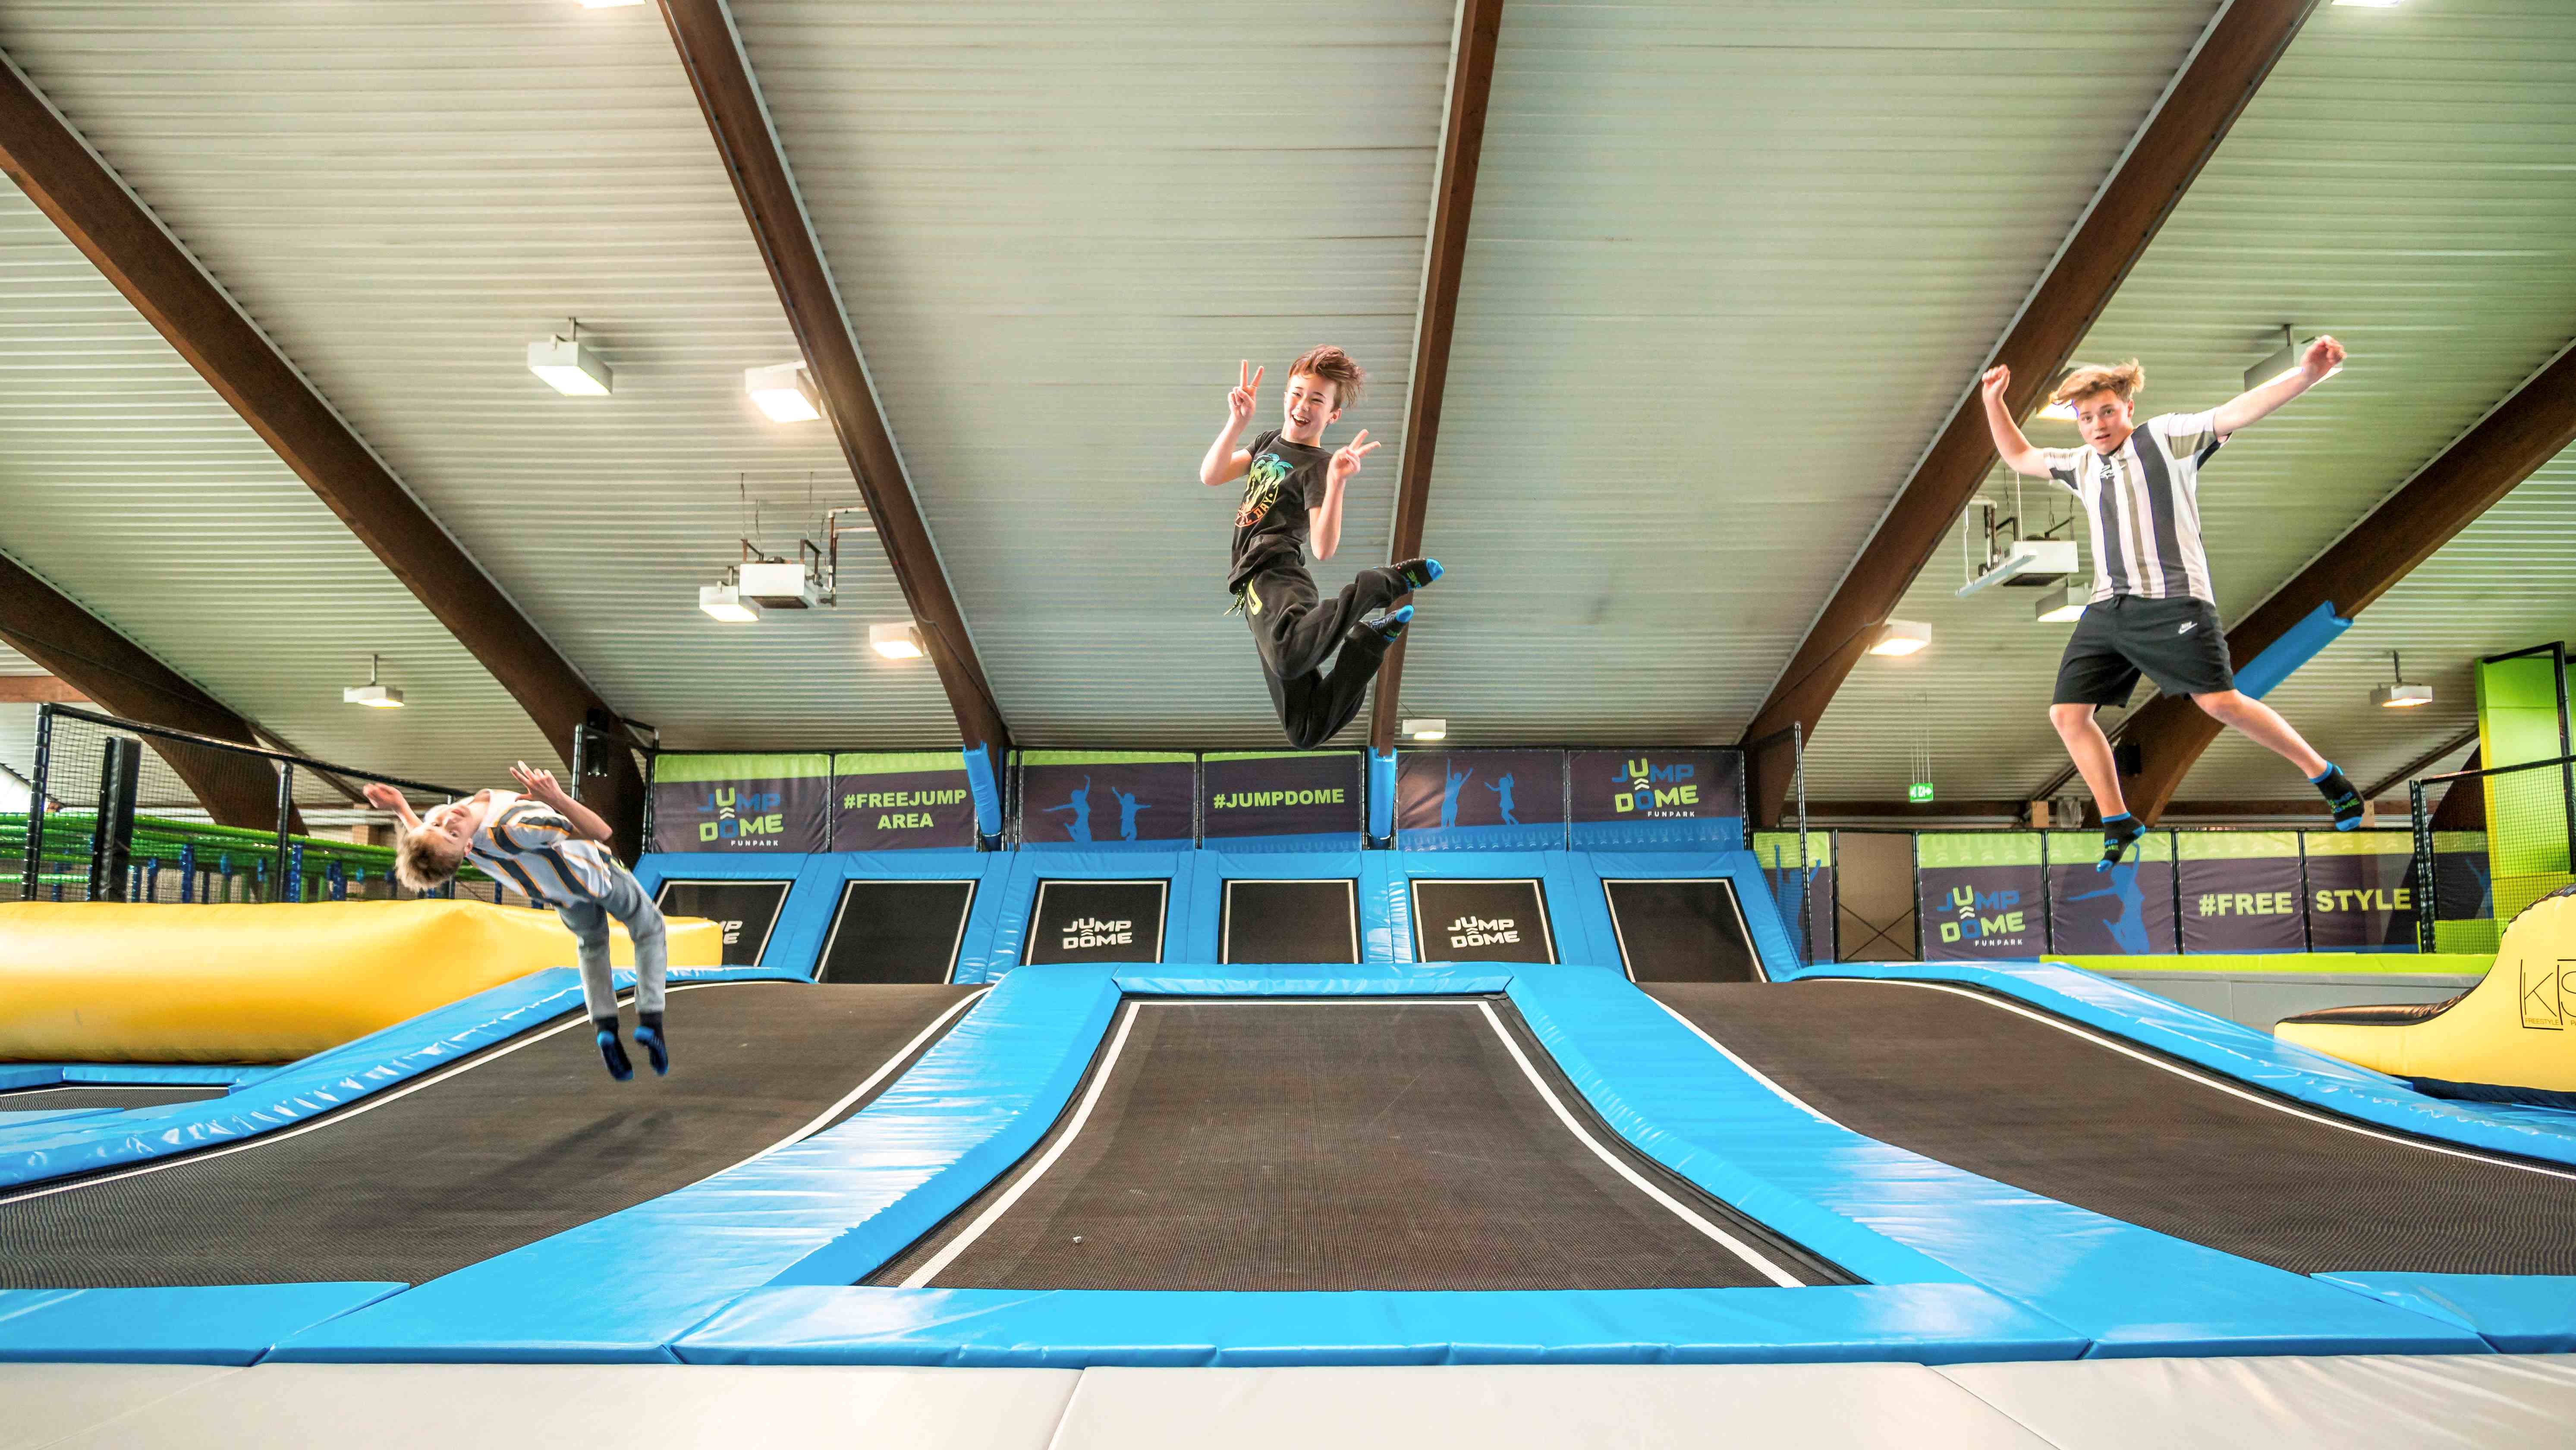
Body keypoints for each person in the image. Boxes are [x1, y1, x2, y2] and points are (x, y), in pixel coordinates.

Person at [1981, 340, 2363, 869]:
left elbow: (2237, 412)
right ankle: (2118, 819)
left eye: (2108, 412)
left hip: (2173, 604)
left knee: (2220, 704)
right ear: (2077, 423)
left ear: (2128, 410)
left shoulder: (2165, 437)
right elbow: (2019, 456)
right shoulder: (2079, 465)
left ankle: (2326, 776)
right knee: (2067, 715)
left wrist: (2306, 375)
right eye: (2086, 417)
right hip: (2108, 609)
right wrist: (1993, 402)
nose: (2098, 424)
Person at [1201, 348, 1444, 748]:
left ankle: (1380, 584)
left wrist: (1337, 483)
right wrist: (1236, 422)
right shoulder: (1267, 441)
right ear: (1285, 397)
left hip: (1273, 570)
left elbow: (1323, 547)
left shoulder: (1317, 466)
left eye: (1317, 400)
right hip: (1255, 588)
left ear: (1332, 416)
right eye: (1297, 394)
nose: (1303, 406)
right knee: (1305, 730)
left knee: (1288, 657)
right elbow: (1212, 475)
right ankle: (1367, 645)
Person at [367, 763, 669, 1081]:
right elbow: (601, 832)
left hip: (558, 895)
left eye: (439, 823)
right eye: (453, 833)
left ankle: (605, 1026)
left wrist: (401, 807)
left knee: (592, 944)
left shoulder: (441, 829)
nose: (450, 819)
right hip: (594, 876)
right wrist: (557, 798)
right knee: (649, 928)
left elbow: (429, 838)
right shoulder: (515, 825)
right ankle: (651, 1022)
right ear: (468, 847)